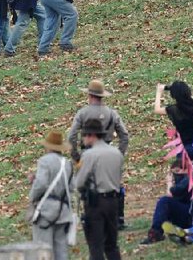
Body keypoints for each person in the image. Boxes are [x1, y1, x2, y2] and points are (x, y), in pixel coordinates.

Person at [66, 80, 129, 228]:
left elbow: (71, 136)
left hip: (88, 152)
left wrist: (75, 156)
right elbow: (124, 135)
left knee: (88, 184)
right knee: (113, 183)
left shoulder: (82, 113)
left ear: (89, 95)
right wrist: (119, 154)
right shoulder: (112, 113)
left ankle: (90, 215)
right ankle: (118, 218)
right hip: (109, 151)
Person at [75, 118, 124, 260]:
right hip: (114, 201)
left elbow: (79, 182)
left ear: (91, 135)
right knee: (112, 245)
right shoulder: (116, 153)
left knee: (95, 245)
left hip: (95, 203)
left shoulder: (89, 155)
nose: (83, 139)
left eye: (84, 135)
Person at [28, 130, 73, 260]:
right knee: (61, 251)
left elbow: (41, 184)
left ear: (48, 146)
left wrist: (32, 197)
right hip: (63, 211)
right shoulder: (67, 164)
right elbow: (71, 186)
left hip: (46, 212)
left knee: (43, 250)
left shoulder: (44, 161)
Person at [140, 157, 193, 245]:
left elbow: (171, 194)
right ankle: (160, 230)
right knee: (164, 203)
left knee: (164, 201)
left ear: (186, 169)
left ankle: (156, 232)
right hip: (185, 213)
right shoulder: (185, 180)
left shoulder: (188, 180)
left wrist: (169, 182)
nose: (176, 175)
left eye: (177, 171)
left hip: (189, 216)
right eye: (174, 172)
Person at [154, 80, 193, 158]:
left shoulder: (174, 110)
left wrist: (159, 92)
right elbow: (191, 98)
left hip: (185, 148)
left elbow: (157, 109)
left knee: (183, 168)